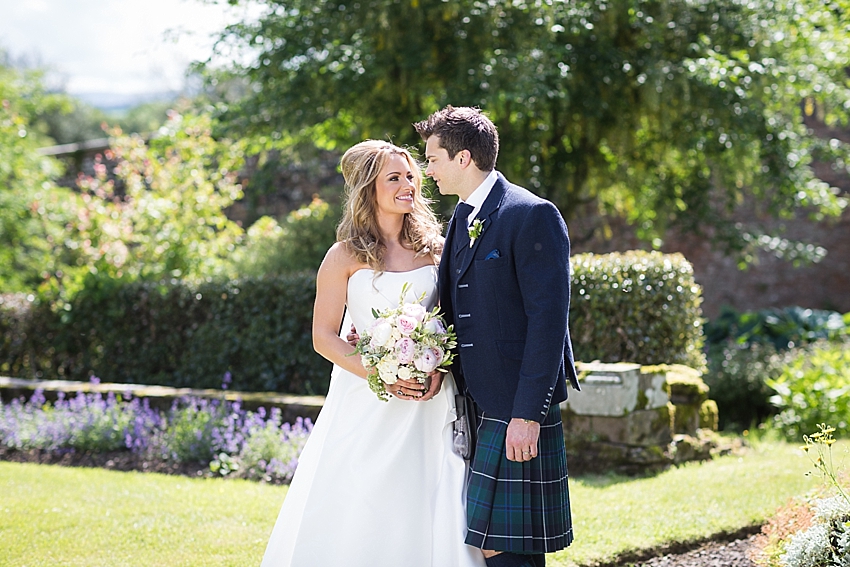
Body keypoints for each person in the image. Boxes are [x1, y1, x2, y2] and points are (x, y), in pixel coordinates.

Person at [260, 140, 486, 567]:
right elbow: (323, 336)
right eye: (394, 178)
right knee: (361, 497)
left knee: (428, 491)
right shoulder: (343, 255)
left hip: (428, 399)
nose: (409, 185)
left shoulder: (438, 247)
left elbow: (455, 321)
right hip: (366, 400)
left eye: (411, 176)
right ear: (369, 188)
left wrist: (439, 365)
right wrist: (379, 374)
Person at [414, 106, 581, 567]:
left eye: (433, 159)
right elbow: (453, 311)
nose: (427, 170)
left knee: (505, 541)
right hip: (471, 400)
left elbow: (548, 322)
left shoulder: (531, 214)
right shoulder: (461, 218)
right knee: (489, 537)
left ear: (463, 158)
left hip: (514, 403)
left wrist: (527, 414)